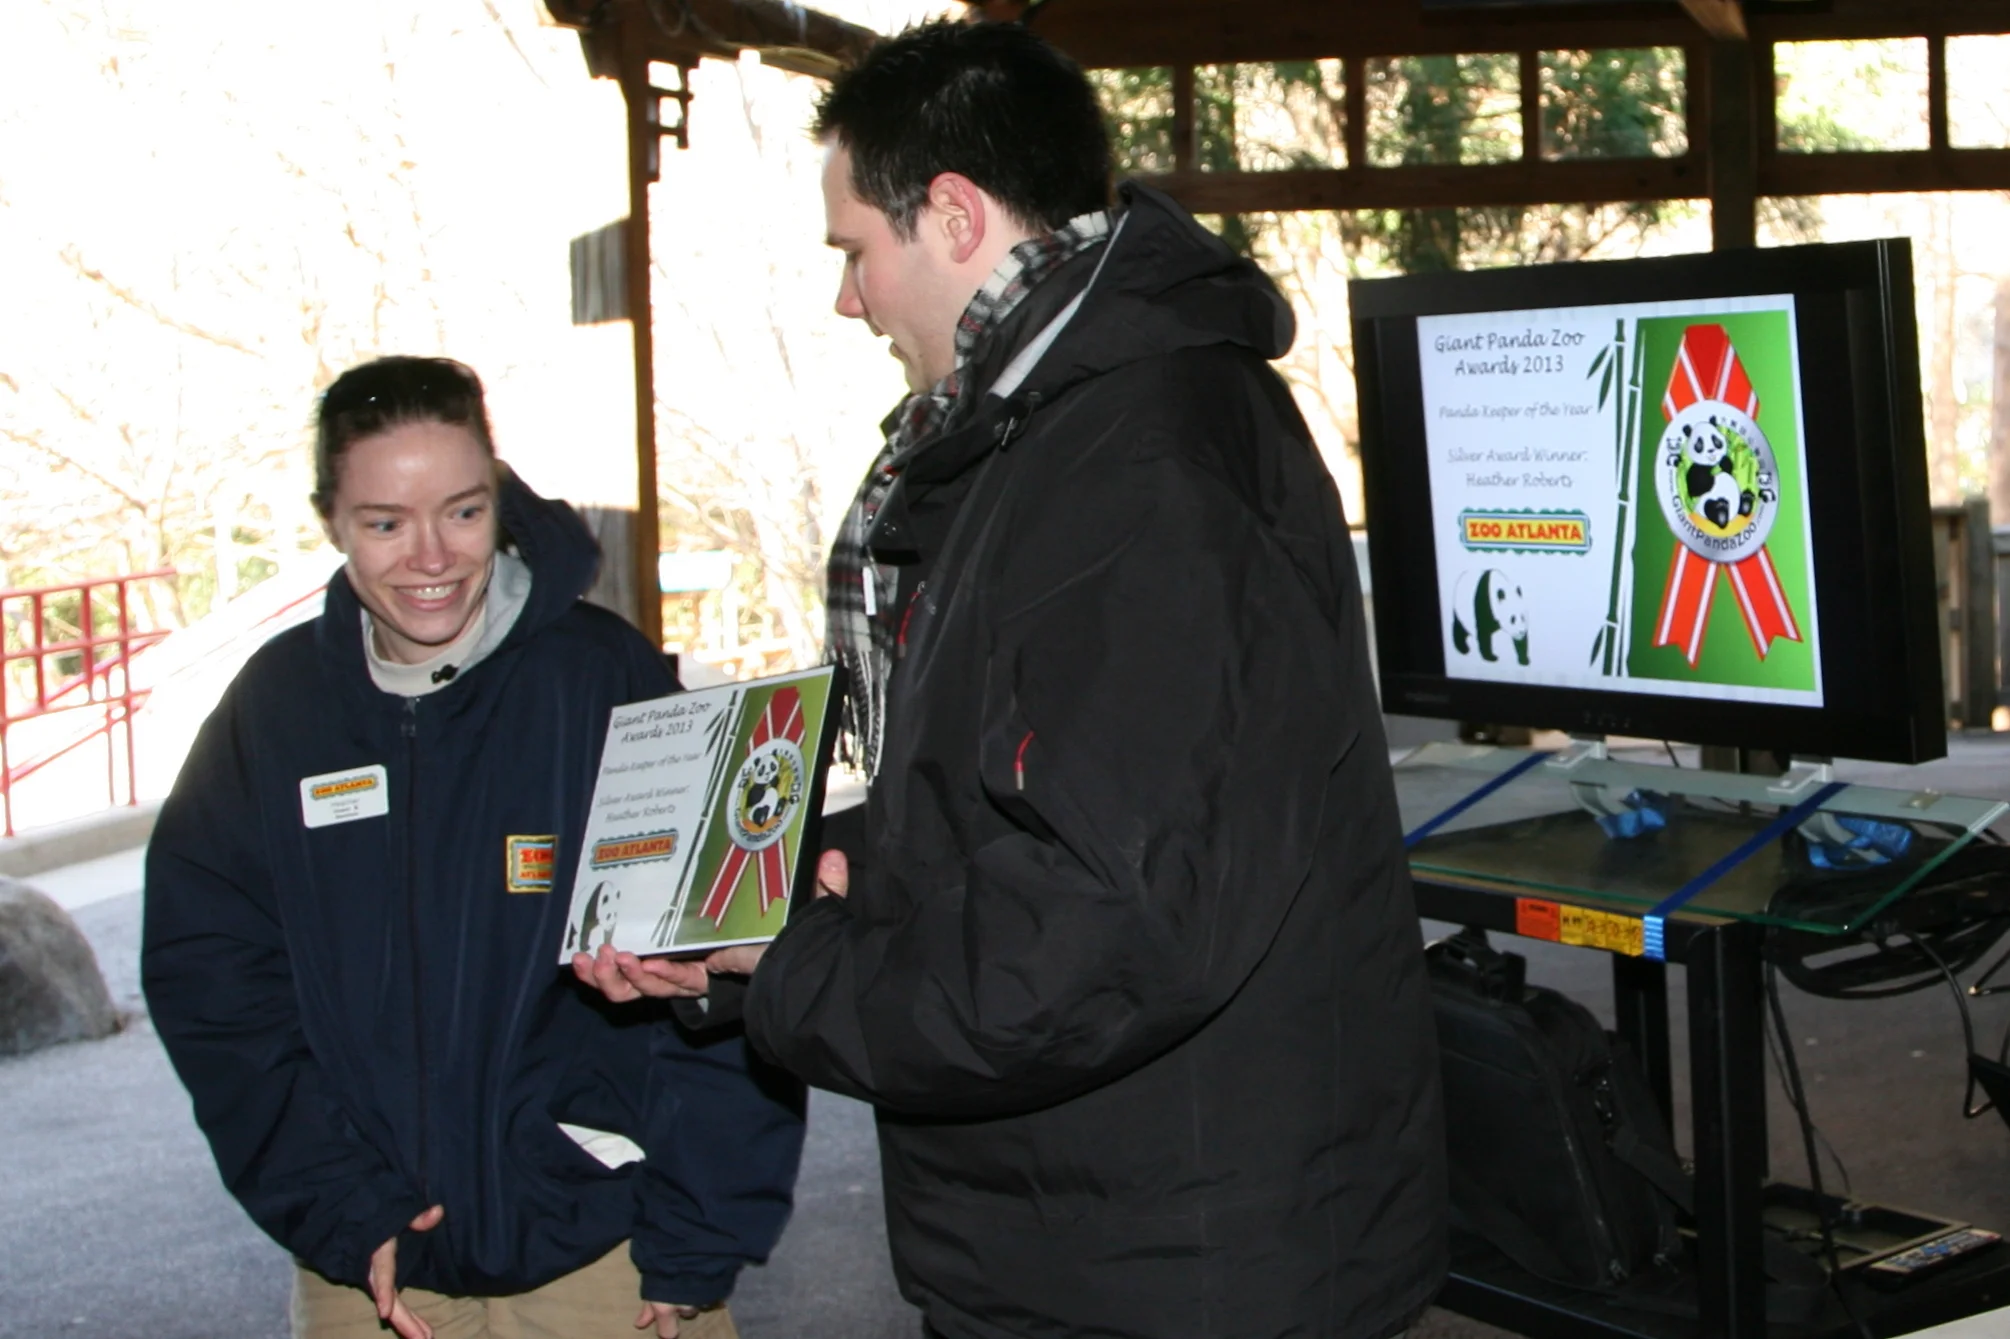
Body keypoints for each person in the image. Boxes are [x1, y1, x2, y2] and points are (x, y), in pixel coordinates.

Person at [579, 20, 1447, 1339]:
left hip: (1172, 1260)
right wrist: (784, 888)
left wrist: (791, 961)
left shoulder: (1141, 466)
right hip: (1101, 1223)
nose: (847, 298)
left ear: (955, 215)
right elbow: (1019, 796)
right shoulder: (1046, 437)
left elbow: (1108, 922)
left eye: (854, 250)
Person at [144, 356, 805, 1339]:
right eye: (384, 523)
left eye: (461, 511)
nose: (431, 556)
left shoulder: (606, 682)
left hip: (605, 1253)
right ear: (331, 519)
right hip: (371, 1269)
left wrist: (698, 1231)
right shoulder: (275, 713)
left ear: (497, 496)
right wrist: (332, 1199)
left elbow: (724, 978)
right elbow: (214, 984)